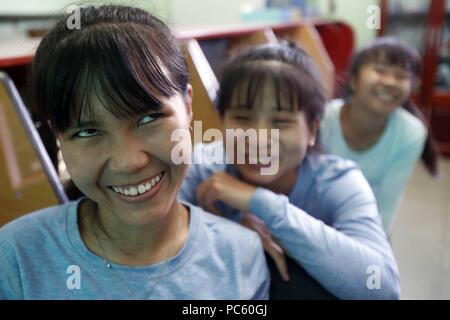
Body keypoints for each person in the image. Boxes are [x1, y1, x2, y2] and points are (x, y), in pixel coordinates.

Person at [0, 5, 269, 300]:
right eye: (88, 132)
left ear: (188, 107)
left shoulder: (239, 257)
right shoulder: (16, 259)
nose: (129, 162)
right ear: (59, 138)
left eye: (149, 118)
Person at [179, 41, 400, 299]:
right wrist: (229, 228)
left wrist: (260, 202)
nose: (259, 139)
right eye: (241, 118)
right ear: (222, 120)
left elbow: (382, 287)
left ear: (313, 130)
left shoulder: (338, 181)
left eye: (281, 122)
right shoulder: (203, 166)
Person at [320, 37, 439, 230]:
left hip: (365, 222)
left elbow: (386, 206)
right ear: (353, 80)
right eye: (380, 71)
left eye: (401, 76)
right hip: (314, 217)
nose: (391, 82)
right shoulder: (324, 118)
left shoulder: (412, 132)